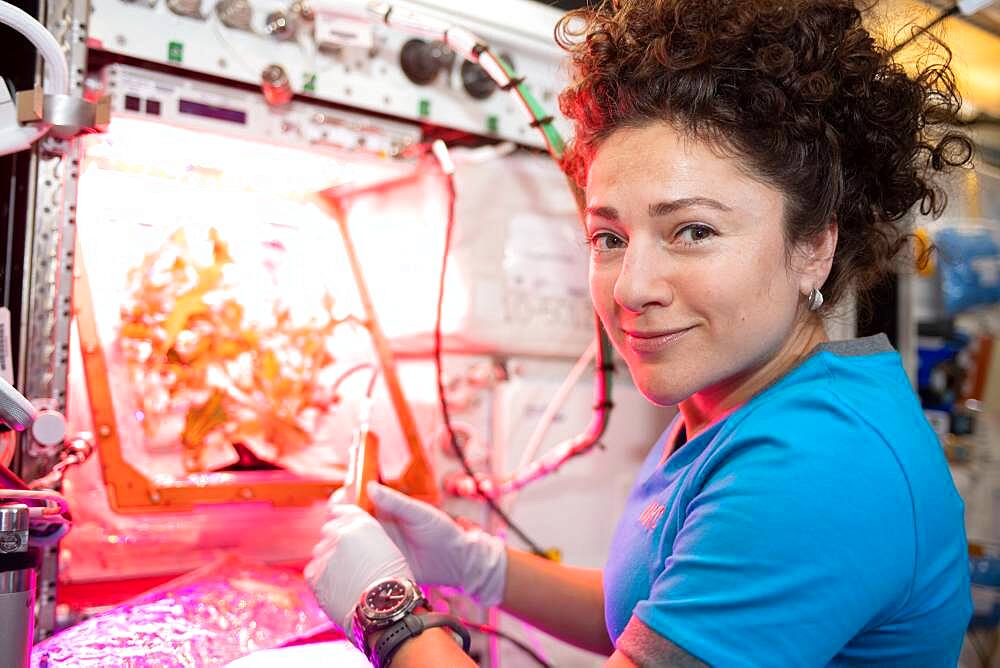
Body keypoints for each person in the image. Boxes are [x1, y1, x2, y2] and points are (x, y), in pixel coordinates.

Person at [305, 0, 976, 665]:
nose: (631, 287)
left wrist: (388, 612)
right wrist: (476, 563)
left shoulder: (820, 462)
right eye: (609, 237)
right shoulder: (731, 399)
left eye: (693, 231)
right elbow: (662, 623)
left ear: (813, 250)